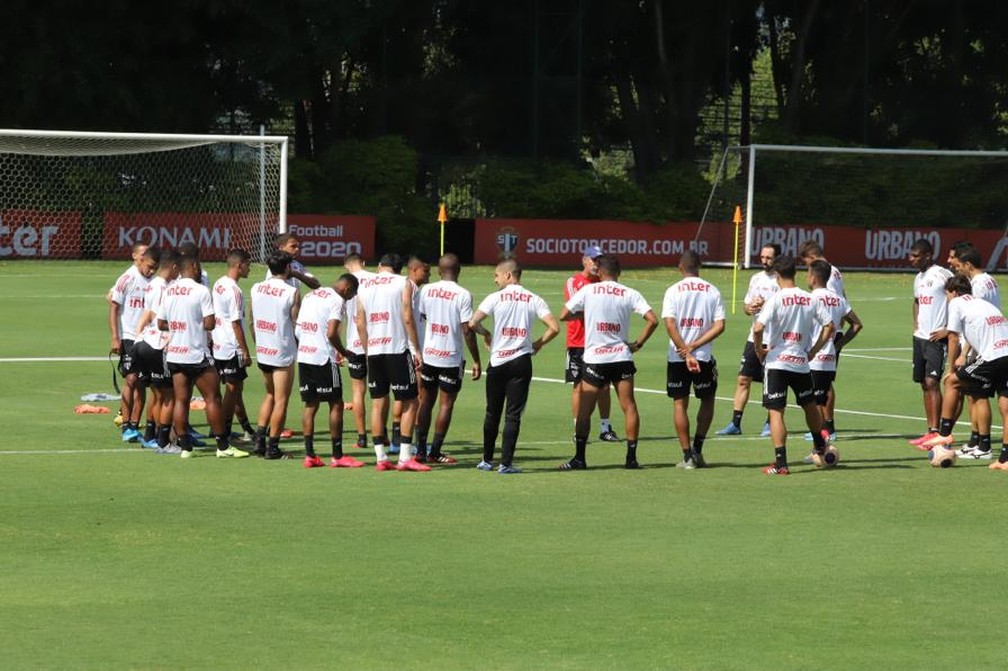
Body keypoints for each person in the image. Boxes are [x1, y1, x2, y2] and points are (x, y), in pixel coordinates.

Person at [558, 254, 658, 470]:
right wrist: (638, 344)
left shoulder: (589, 290)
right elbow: (652, 320)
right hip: (621, 356)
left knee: (585, 410)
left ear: (600, 272)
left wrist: (586, 316)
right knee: (629, 406)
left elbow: (564, 314)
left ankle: (580, 459)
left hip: (595, 358)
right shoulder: (630, 293)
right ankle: (631, 459)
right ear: (618, 273)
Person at [469, 259, 559, 473]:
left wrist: (487, 333)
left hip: (498, 360)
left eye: (497, 276)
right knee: (513, 414)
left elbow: (472, 323)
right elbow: (554, 327)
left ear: (509, 275)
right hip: (521, 360)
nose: (495, 280)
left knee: (492, 411)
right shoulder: (533, 298)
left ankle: (487, 460)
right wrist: (538, 343)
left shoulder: (495, 297)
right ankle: (506, 463)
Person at [156, 254, 248, 459]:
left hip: (175, 354)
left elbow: (160, 323)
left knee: (181, 400)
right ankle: (222, 446)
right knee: (213, 398)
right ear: (194, 267)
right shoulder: (201, 291)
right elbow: (209, 324)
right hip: (196, 354)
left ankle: (186, 448)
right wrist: (193, 325)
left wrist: (179, 326)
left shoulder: (169, 290)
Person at [752, 255, 835, 475]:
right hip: (801, 362)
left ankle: (781, 463)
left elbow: (758, 328)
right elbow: (830, 326)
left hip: (777, 362)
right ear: (795, 273)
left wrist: (759, 349)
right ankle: (819, 444)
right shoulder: (810, 299)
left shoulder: (777, 299)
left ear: (777, 275)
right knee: (809, 405)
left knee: (776, 411)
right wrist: (814, 350)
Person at [920, 275, 1008, 468]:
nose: (947, 299)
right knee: (1002, 403)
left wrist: (951, 369)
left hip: (992, 356)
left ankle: (944, 434)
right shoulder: (981, 303)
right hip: (1005, 353)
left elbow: (952, 337)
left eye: (947, 295)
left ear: (954, 292)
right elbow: (978, 331)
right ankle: (1004, 458)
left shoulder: (957, 303)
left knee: (952, 382)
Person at [355, 253, 429, 472]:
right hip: (397, 348)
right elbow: (407, 315)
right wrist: (416, 349)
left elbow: (360, 322)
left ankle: (380, 458)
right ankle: (405, 457)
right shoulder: (404, 283)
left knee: (378, 402)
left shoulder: (364, 285)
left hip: (375, 350)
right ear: (399, 269)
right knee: (411, 401)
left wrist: (368, 350)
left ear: (380, 267)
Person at [415, 253, 482, 464]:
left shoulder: (426, 290)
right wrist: (477, 359)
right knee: (446, 404)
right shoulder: (463, 294)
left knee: (425, 401)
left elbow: (423, 317)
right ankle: (435, 451)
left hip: (429, 354)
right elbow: (467, 329)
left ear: (438, 271)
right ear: (459, 271)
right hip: (451, 357)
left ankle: (420, 451)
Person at [661, 250, 725, 469]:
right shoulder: (712, 291)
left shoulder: (672, 291)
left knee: (680, 404)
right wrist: (695, 347)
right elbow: (720, 326)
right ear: (700, 265)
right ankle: (698, 449)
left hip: (678, 357)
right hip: (703, 356)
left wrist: (685, 351)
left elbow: (670, 324)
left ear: (680, 266)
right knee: (707, 399)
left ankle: (687, 455)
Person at [296, 273, 365, 469]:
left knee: (310, 405)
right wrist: (343, 352)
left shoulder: (312, 295)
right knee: (336, 404)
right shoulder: (337, 300)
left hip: (304, 356)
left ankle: (310, 455)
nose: (349, 299)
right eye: (351, 295)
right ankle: (337, 455)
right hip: (323, 359)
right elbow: (332, 332)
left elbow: (298, 329)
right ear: (347, 289)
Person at [716, 244, 780, 436]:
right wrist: (750, 307)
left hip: (773, 339)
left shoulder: (781, 281)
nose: (764, 261)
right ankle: (735, 424)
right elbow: (745, 306)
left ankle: (770, 423)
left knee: (772, 383)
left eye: (769, 258)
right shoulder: (756, 278)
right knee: (743, 379)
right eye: (762, 257)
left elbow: (784, 308)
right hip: (754, 338)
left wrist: (765, 304)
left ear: (777, 258)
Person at [802, 259, 862, 455]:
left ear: (813, 277)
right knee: (819, 399)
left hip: (814, 358)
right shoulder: (838, 299)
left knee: (814, 404)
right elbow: (856, 324)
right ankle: (821, 445)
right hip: (829, 359)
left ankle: (822, 449)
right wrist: (838, 344)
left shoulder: (812, 299)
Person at [564, 245, 619, 443]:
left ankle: (605, 427)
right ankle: (578, 427)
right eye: (593, 260)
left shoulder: (602, 282)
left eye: (599, 260)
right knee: (579, 386)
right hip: (578, 341)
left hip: (599, 341)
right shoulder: (574, 282)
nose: (596, 264)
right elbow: (571, 311)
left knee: (604, 387)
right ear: (584, 260)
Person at [250, 251, 301, 460]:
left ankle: (259, 439)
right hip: (282, 350)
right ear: (287, 268)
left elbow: (251, 321)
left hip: (263, 349)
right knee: (281, 400)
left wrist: (258, 342)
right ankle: (273, 447)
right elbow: (296, 323)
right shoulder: (291, 292)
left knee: (270, 395)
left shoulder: (255, 288)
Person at [109, 243, 158, 443]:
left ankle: (135, 425)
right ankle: (127, 424)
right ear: (139, 259)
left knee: (142, 383)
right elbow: (113, 308)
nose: (151, 270)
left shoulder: (156, 281)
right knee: (131, 379)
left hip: (149, 338)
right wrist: (115, 336)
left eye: (155, 267)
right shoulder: (127, 279)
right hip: (129, 336)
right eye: (149, 265)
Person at [132, 248, 180, 452]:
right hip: (158, 344)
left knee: (157, 393)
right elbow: (161, 320)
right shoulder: (165, 288)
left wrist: (137, 335)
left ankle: (150, 435)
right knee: (170, 394)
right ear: (175, 267)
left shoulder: (152, 285)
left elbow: (148, 313)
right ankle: (164, 441)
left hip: (143, 343)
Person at [907, 238, 954, 445]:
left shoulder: (943, 274)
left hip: (937, 339)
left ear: (928, 255)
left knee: (932, 382)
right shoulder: (918, 278)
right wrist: (916, 325)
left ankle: (938, 432)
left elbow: (958, 299)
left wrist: (948, 329)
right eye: (911, 255)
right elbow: (917, 301)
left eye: (916, 256)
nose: (911, 259)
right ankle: (930, 430)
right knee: (923, 385)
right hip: (920, 338)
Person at [212, 249, 257, 446]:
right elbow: (236, 323)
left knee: (235, 390)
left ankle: (246, 428)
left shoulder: (219, 283)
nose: (249, 268)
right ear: (239, 266)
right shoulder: (235, 291)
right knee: (232, 390)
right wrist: (245, 351)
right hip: (231, 347)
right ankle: (225, 431)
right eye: (248, 264)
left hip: (218, 344)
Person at [389, 256, 431, 455]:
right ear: (414, 270)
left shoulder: (404, 288)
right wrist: (417, 349)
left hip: (399, 346)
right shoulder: (411, 289)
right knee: (417, 395)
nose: (428, 275)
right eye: (425, 271)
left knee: (401, 394)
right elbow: (409, 319)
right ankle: (412, 441)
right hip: (411, 349)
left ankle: (396, 440)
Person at [342, 253, 376, 448]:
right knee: (380, 392)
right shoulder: (374, 280)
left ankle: (362, 437)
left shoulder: (345, 284)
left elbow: (340, 318)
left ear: (346, 267)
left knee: (358, 391)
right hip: (377, 343)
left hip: (354, 344)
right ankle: (383, 435)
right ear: (363, 262)